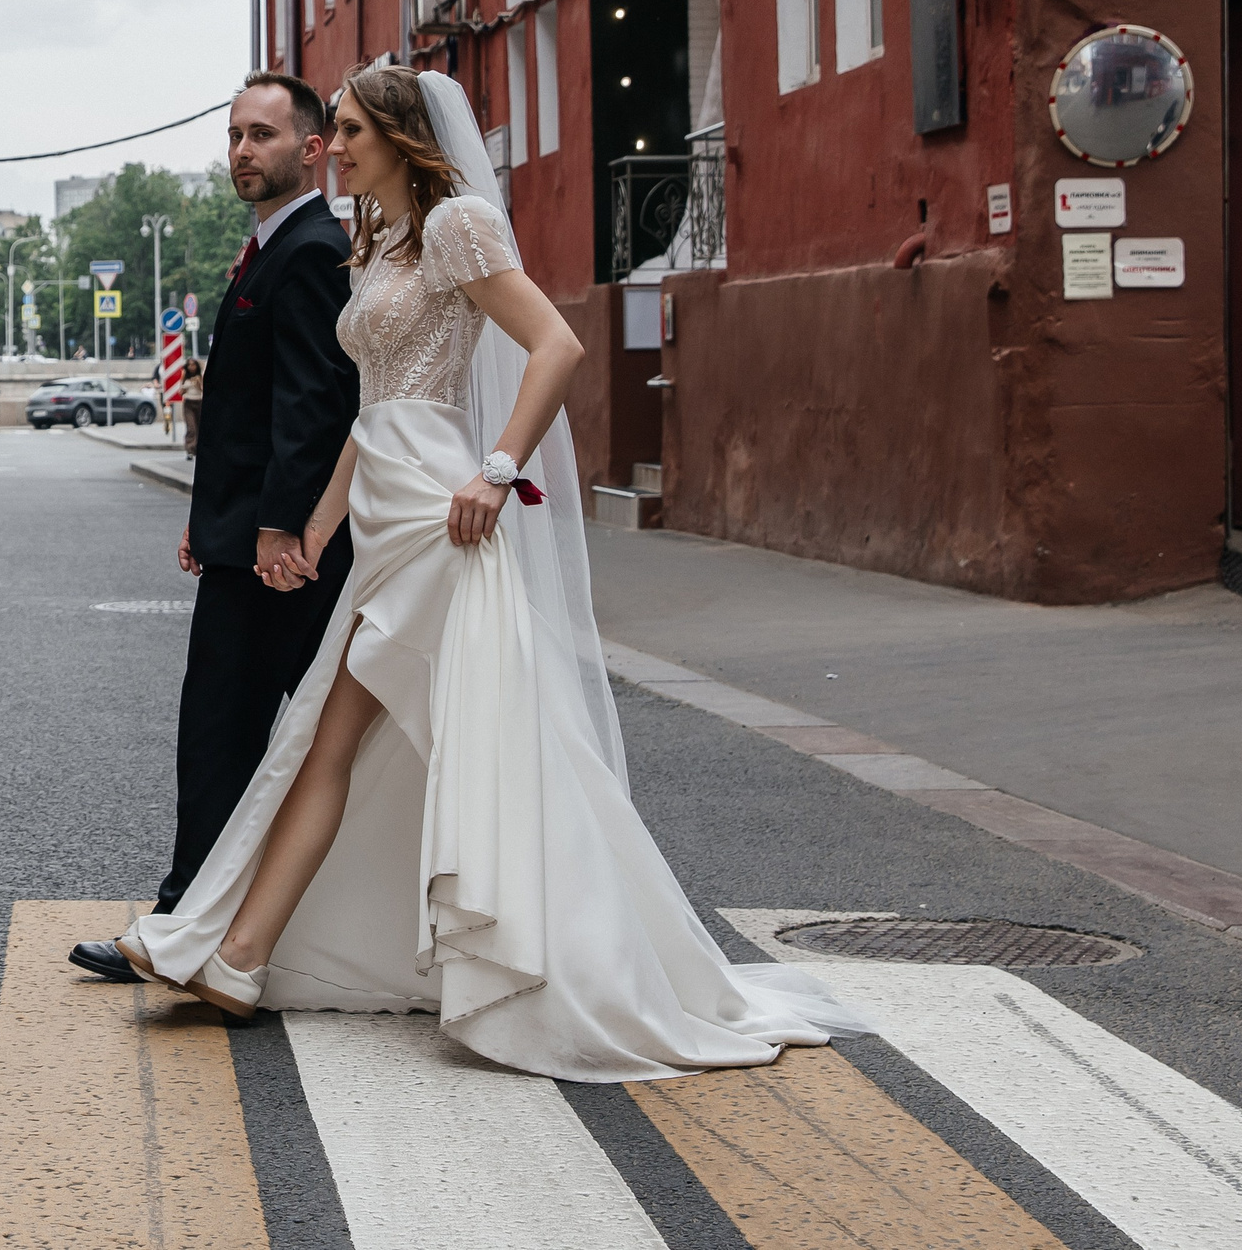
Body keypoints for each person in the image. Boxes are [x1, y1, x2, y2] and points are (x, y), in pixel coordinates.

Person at [109, 65, 867, 1082]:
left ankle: (237, 953)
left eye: (342, 128)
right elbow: (365, 408)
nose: (329, 145)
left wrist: (497, 472)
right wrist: (319, 528)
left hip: (440, 511)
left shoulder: (457, 225)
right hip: (383, 514)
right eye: (326, 130)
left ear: (394, 134)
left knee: (349, 737)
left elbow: (552, 347)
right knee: (357, 740)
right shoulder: (374, 237)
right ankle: (237, 951)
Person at [69, 71, 359, 983]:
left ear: (312, 150)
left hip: (282, 556)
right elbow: (244, 412)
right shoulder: (275, 244)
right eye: (235, 134)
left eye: (263, 135)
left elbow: (314, 407)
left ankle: (179, 922)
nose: (242, 151)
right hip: (249, 542)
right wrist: (212, 521)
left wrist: (276, 531)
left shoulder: (310, 248)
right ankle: (201, 917)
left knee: (223, 730)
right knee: (241, 731)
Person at [179, 356, 205, 459]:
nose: (191, 367)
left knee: (199, 426)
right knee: (191, 427)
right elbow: (181, 392)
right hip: (188, 403)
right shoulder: (185, 376)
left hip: (199, 402)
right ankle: (190, 449)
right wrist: (186, 386)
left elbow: (203, 389)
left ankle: (197, 449)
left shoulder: (200, 376)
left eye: (193, 365)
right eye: (189, 365)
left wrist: (198, 382)